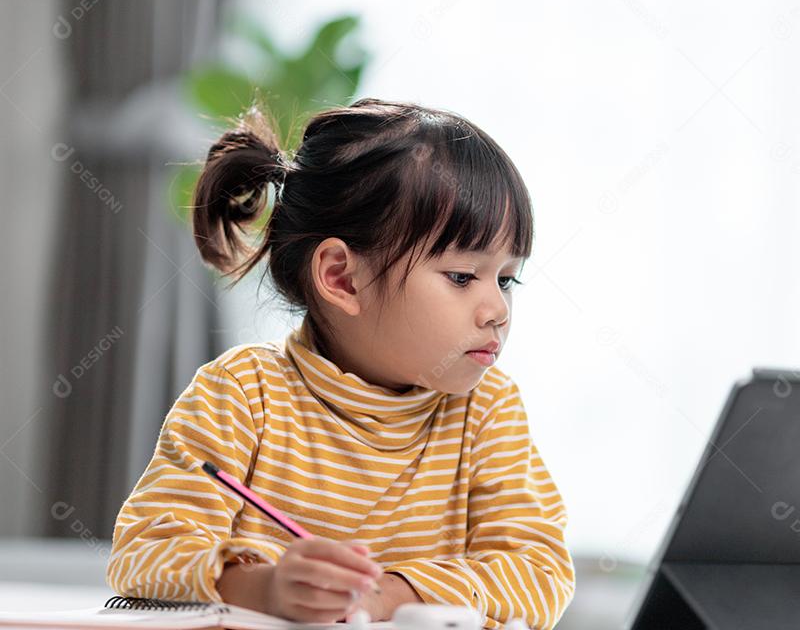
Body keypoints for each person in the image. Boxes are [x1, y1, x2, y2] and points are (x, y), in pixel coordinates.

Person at [105, 98, 574, 630]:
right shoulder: (241, 395)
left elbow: (539, 573)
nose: (497, 311)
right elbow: (144, 554)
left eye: (506, 279)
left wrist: (388, 595)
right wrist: (266, 589)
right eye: (463, 277)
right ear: (342, 278)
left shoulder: (487, 410)